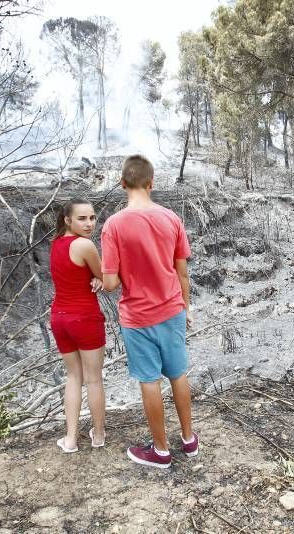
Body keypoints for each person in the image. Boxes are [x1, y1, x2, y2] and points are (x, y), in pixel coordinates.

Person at [101, 155, 198, 468]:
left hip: (138, 317)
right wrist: (186, 306)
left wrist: (98, 275)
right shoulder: (171, 218)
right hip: (172, 310)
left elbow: (112, 283)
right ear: (151, 182)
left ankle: (160, 451)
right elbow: (182, 272)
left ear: (123, 184)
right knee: (178, 374)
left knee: (150, 381)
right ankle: (188, 440)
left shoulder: (113, 225)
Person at [49, 199, 107, 453]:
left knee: (73, 377)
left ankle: (71, 439)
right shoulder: (85, 245)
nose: (89, 224)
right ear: (67, 220)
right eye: (82, 219)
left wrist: (95, 276)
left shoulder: (56, 244)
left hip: (59, 318)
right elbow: (105, 275)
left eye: (93, 218)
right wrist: (98, 276)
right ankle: (98, 434)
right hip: (84, 317)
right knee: (93, 379)